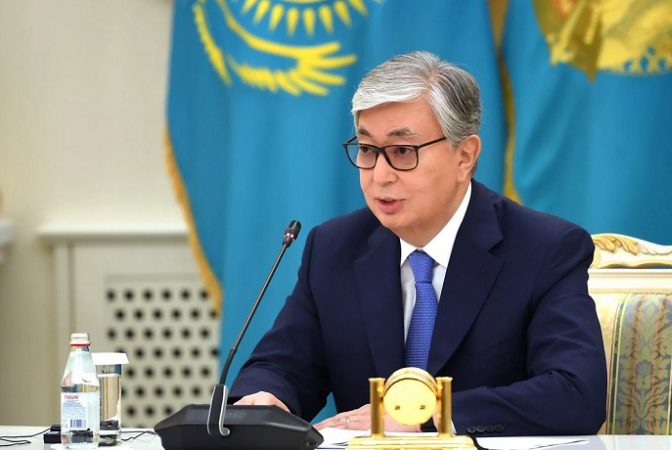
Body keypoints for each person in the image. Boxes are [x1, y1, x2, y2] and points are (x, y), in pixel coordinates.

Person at [230, 51, 607, 436]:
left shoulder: (544, 249)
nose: (379, 175)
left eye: (402, 151)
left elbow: (576, 394)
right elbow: (282, 366)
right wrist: (266, 397)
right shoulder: (334, 248)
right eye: (367, 149)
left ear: (465, 156)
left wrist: (429, 417)